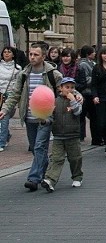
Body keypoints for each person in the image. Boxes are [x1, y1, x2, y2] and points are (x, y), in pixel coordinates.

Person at [0, 42, 63, 191]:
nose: (32, 57)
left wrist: (76, 97)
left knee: (40, 146)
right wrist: (4, 109)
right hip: (29, 117)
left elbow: (65, 92)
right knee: (36, 149)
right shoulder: (24, 74)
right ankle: (45, 171)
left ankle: (33, 178)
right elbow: (15, 95)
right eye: (30, 54)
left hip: (45, 118)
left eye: (36, 54)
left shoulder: (53, 74)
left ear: (43, 56)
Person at [41, 77, 83, 192]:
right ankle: (50, 180)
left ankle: (77, 176)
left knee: (75, 158)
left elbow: (78, 112)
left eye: (72, 87)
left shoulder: (77, 100)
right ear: (60, 88)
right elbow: (50, 117)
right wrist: (44, 120)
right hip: (58, 135)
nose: (69, 90)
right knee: (57, 158)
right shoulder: (54, 101)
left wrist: (73, 100)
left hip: (73, 135)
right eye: (67, 87)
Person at [0, 46, 21, 151]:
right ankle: (6, 135)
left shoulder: (17, 68)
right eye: (4, 52)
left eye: (9, 52)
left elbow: (18, 84)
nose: (6, 54)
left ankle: (1, 142)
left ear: (13, 54)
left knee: (4, 119)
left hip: (9, 96)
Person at [77, 45, 98, 144]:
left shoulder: (93, 63)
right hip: (85, 93)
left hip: (91, 93)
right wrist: (96, 78)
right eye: (93, 52)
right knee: (82, 116)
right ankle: (81, 136)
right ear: (87, 54)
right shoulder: (83, 64)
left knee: (94, 117)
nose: (94, 53)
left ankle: (96, 138)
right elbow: (86, 79)